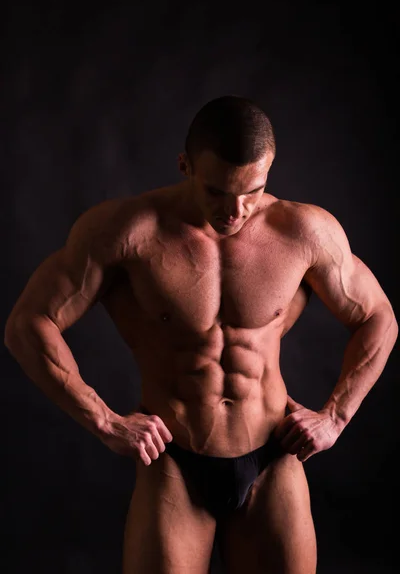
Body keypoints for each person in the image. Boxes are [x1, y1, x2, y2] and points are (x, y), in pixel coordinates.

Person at [4, 95, 397, 574]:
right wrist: (105, 421)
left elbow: (378, 316)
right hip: (174, 463)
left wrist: (335, 416)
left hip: (273, 457)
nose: (236, 210)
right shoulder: (128, 231)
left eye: (252, 191)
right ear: (185, 165)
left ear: (269, 169)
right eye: (216, 191)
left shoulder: (305, 232)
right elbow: (28, 325)